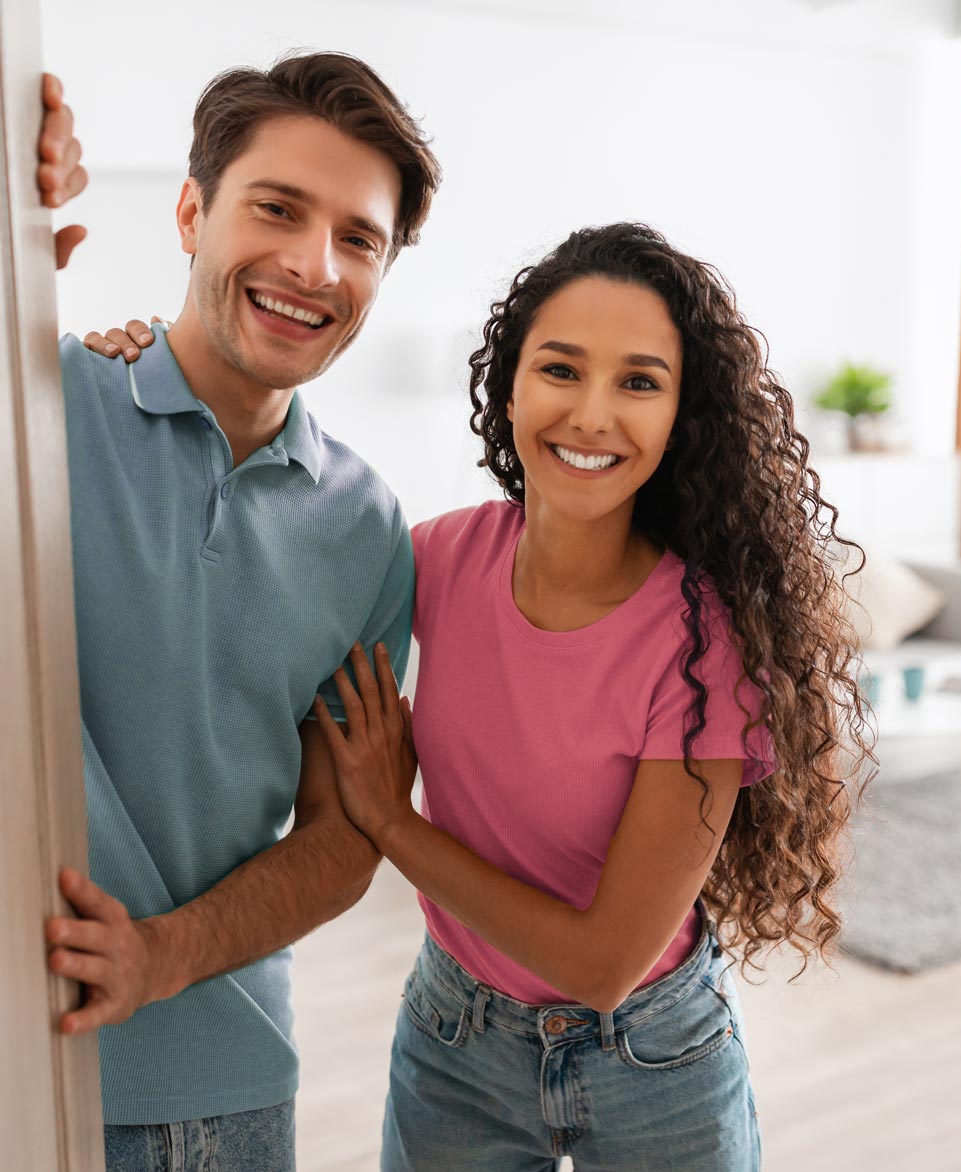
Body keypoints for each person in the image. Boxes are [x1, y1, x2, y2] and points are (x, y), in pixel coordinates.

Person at [304, 223, 873, 1170]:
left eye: (640, 382)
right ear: (511, 385)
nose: (593, 415)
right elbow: (282, 562)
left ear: (681, 417)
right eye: (561, 370)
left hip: (652, 1059)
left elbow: (603, 965)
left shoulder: (704, 647)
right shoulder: (437, 561)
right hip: (455, 1043)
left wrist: (392, 825)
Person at [34, 56, 441, 1171]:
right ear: (188, 212)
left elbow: (343, 835)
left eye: (358, 238)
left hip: (232, 1094)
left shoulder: (368, 529)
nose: (314, 265)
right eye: (276, 208)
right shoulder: (43, 409)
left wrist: (159, 955)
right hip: (26, 1064)